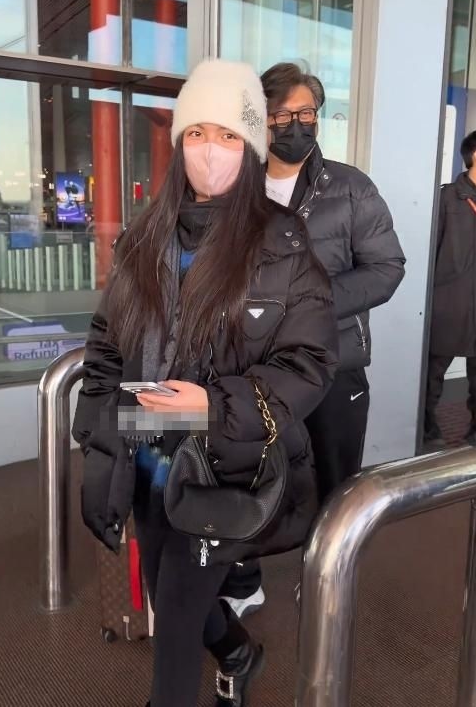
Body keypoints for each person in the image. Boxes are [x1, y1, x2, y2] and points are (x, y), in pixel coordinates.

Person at [72, 59, 339, 707]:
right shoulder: (146, 236)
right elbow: (106, 346)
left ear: (249, 148)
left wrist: (215, 405)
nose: (209, 151)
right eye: (196, 134)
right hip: (147, 452)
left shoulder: (281, 244)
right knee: (167, 591)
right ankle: (240, 652)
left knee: (176, 618)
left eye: (226, 135)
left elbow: (309, 362)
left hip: (220, 463)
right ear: (178, 144)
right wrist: (102, 444)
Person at [220, 61, 406, 618]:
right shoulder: (234, 185)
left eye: (307, 113)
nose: (296, 124)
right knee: (245, 470)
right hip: (252, 365)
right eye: (281, 115)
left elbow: (386, 268)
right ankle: (243, 578)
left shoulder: (351, 188)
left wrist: (308, 306)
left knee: (334, 477)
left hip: (333, 361)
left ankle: (324, 575)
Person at [424, 130, 476, 449]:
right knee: (431, 373)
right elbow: (429, 251)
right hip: (448, 302)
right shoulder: (446, 198)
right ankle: (426, 429)